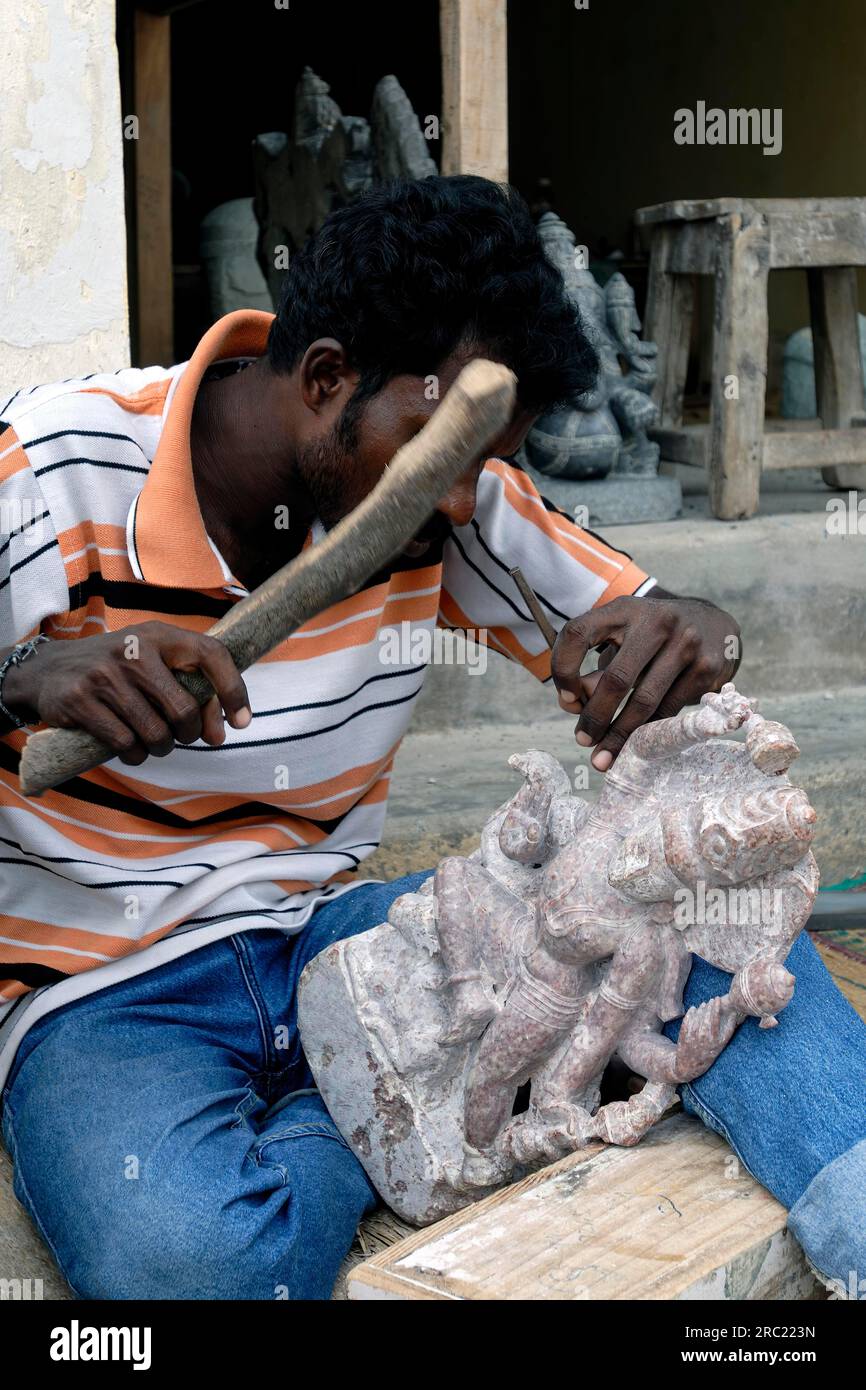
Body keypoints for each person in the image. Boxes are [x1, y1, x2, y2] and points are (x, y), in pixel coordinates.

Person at [0, 176, 861, 1300]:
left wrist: (704, 628)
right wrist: (21, 680)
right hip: (102, 989)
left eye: (484, 465)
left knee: (712, 915)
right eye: (441, 455)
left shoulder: (450, 504)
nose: (463, 503)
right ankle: (351, 1125)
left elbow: (656, 621)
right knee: (187, 1264)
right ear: (325, 380)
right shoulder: (48, 463)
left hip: (349, 946)